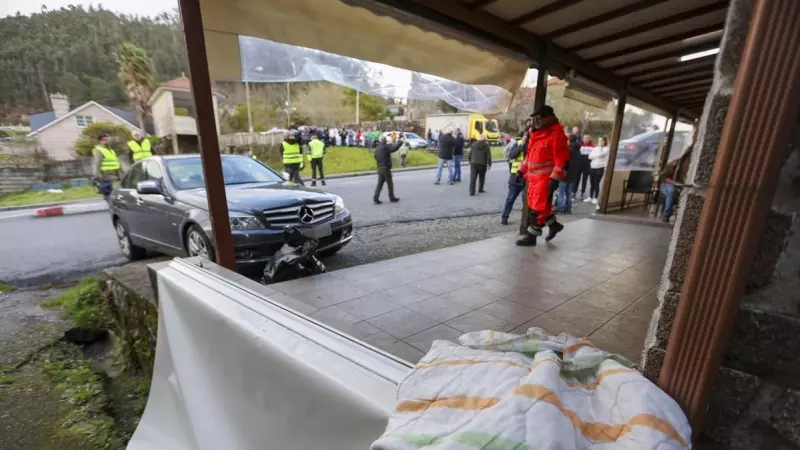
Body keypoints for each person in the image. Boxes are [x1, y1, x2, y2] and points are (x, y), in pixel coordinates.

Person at [516, 105, 569, 247]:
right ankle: (554, 225)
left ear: (549, 118)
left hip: (545, 179)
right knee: (539, 205)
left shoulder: (557, 135)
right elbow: (529, 156)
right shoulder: (536, 134)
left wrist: (554, 179)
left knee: (537, 208)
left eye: (540, 118)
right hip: (533, 179)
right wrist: (521, 170)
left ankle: (531, 236)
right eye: (536, 119)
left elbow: (562, 160)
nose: (537, 121)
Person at [501, 137, 525, 225]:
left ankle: (527, 219)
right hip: (516, 176)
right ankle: (505, 216)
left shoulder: (534, 144)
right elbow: (512, 155)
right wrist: (521, 145)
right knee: (510, 198)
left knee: (526, 199)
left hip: (528, 177)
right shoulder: (518, 143)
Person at [373, 135, 403, 204]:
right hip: (385, 168)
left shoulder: (377, 148)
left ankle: (375, 197)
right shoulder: (385, 147)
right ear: (384, 140)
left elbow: (375, 156)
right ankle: (392, 197)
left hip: (379, 168)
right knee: (390, 183)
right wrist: (400, 142)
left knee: (379, 184)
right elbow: (393, 149)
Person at [92, 134, 121, 202]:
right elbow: (98, 163)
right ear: (100, 141)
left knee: (111, 191)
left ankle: (112, 204)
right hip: (104, 174)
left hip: (112, 173)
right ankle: (111, 205)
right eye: (104, 140)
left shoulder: (110, 150)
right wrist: (97, 174)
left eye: (107, 139)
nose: (107, 141)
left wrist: (118, 174)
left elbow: (115, 162)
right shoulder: (99, 150)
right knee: (107, 192)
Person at [557, 134, 582, 214]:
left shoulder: (568, 150)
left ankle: (560, 209)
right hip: (572, 174)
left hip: (564, 174)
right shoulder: (578, 151)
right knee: (568, 192)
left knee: (561, 193)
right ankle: (568, 208)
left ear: (569, 140)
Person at [588, 136, 610, 205]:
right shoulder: (595, 148)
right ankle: (590, 197)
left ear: (604, 141)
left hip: (600, 167)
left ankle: (595, 198)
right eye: (599, 140)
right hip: (592, 166)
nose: (599, 142)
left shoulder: (607, 149)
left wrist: (599, 149)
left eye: (601, 141)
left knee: (597, 182)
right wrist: (596, 155)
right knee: (592, 183)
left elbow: (602, 155)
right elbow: (590, 156)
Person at [575, 134, 594, 201]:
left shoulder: (592, 146)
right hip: (579, 165)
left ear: (589, 139)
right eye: (584, 138)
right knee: (577, 179)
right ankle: (574, 192)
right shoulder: (579, 145)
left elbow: (593, 157)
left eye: (587, 138)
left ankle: (582, 193)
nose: (585, 139)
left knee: (584, 180)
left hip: (587, 166)